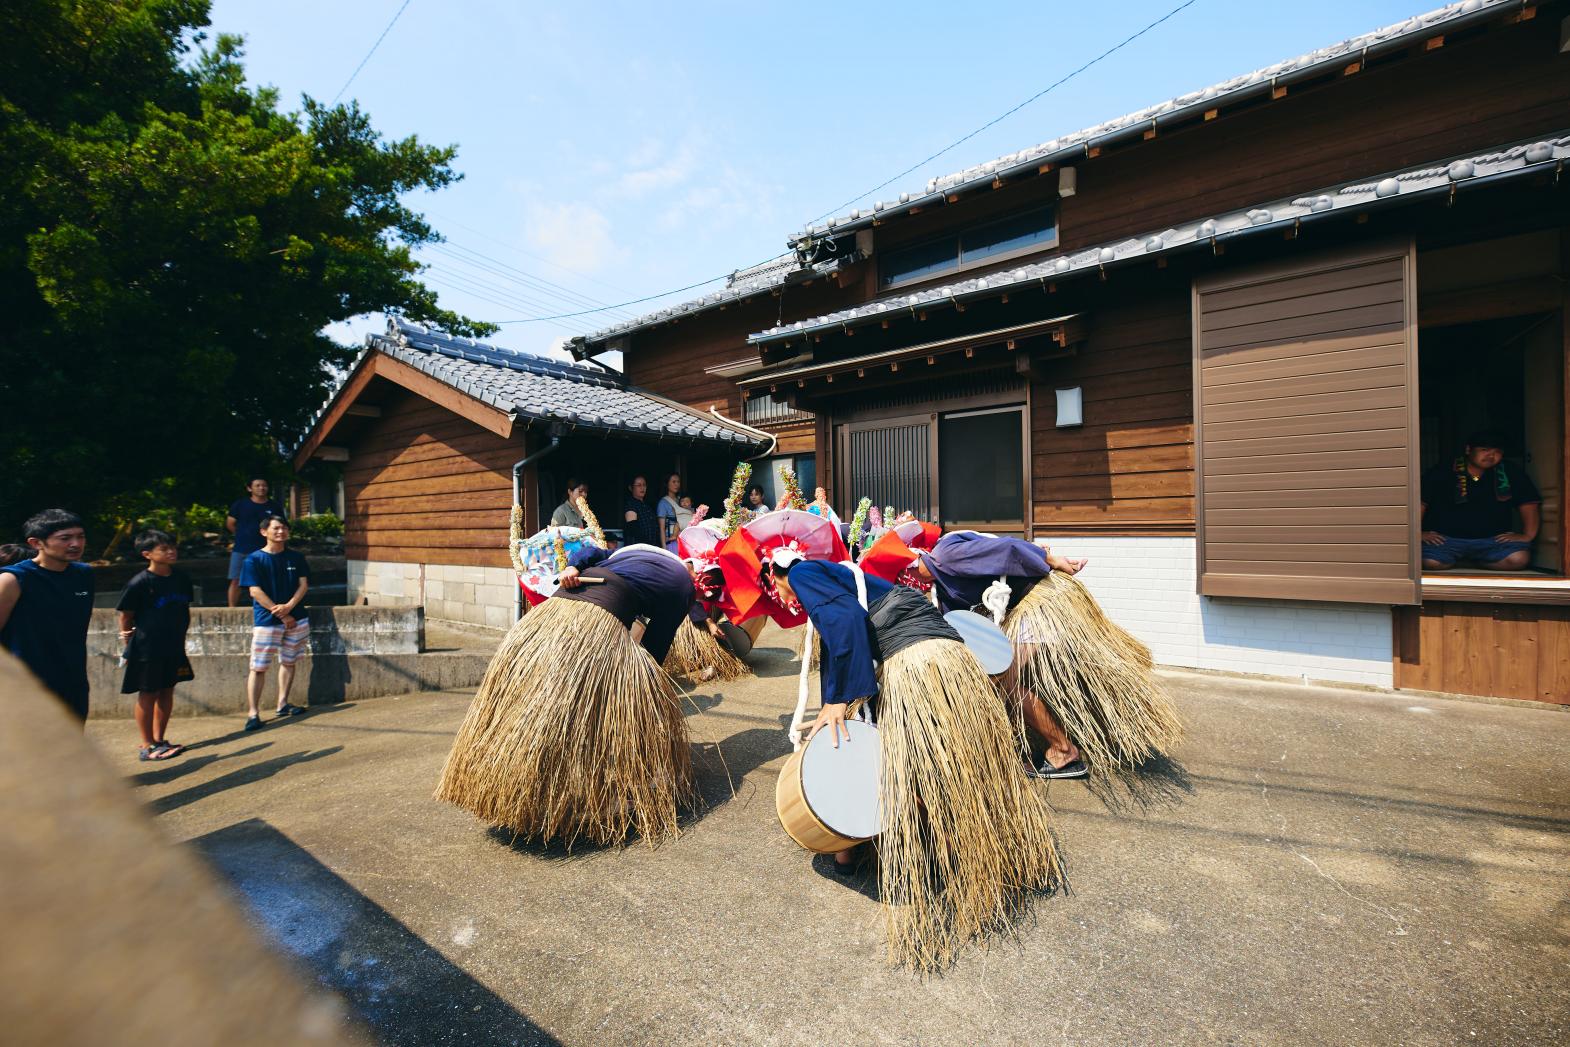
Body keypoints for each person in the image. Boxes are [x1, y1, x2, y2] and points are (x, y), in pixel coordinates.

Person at [765, 552, 1059, 972]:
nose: (782, 595)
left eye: (775, 587)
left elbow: (844, 620)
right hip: (948, 655)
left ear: (776, 572)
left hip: (913, 656)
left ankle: (900, 852)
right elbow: (844, 630)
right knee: (958, 754)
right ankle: (987, 848)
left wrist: (834, 701)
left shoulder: (802, 571)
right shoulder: (842, 575)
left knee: (908, 755)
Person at [436, 543, 713, 847]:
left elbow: (592, 550)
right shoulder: (684, 589)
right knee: (572, 705)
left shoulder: (631, 553)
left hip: (555, 608)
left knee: (529, 693)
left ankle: (500, 782)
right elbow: (656, 645)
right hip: (598, 619)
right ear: (696, 579)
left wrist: (571, 567)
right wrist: (641, 690)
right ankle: (541, 788)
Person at [889, 529, 1180, 779]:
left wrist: (1051, 560)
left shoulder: (946, 556)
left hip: (1038, 606)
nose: (911, 586)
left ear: (911, 566)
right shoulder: (941, 585)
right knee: (997, 675)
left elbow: (1007, 549)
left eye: (905, 579)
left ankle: (1064, 751)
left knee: (1006, 678)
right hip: (1033, 606)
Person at [0, 509, 94, 722]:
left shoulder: (84, 574)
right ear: (36, 543)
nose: (76, 544)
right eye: (65, 538)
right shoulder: (13, 579)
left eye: (80, 536)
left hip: (73, 680)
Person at [116, 529, 194, 761]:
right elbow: (126, 615)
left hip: (174, 645)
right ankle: (147, 744)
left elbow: (184, 609)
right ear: (147, 554)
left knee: (167, 690)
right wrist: (127, 641)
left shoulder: (181, 578)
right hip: (147, 647)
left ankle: (160, 739)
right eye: (164, 549)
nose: (171, 552)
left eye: (173, 547)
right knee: (148, 693)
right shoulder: (139, 583)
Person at [1421, 430, 1541, 571]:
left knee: (1518, 560)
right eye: (1484, 450)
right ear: (1468, 450)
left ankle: (1474, 562)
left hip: (1493, 540)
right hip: (1447, 539)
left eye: (1497, 451)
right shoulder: (1443, 470)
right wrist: (1418, 533)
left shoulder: (1509, 471)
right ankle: (1462, 559)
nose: (1491, 455)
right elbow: (1421, 502)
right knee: (1430, 563)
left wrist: (1528, 535)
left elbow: (1528, 502)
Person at [239, 514, 310, 731]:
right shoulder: (254, 559)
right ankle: (253, 713)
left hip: (297, 617)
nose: (281, 532)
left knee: (289, 662)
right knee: (258, 667)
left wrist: (290, 606)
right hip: (267, 621)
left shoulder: (296, 557)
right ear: (264, 532)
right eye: (276, 528)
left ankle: (283, 703)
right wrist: (281, 613)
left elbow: (303, 585)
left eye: (284, 528)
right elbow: (254, 591)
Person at [226, 477, 285, 607]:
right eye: (257, 485)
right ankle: (231, 609)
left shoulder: (274, 506)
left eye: (264, 485)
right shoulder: (240, 504)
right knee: (236, 581)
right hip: (242, 548)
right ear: (249, 488)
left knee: (268, 580)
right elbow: (230, 524)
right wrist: (243, 535)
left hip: (266, 550)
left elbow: (281, 525)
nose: (261, 488)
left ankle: (270, 607)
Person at [621, 475, 662, 547]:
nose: (642, 488)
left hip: (650, 548)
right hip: (638, 549)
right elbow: (633, 528)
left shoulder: (647, 506)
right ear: (631, 488)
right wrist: (648, 544)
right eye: (639, 485)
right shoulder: (631, 504)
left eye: (644, 485)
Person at [655, 472, 685, 548]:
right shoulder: (663, 503)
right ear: (667, 484)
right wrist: (664, 547)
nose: (677, 484)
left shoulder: (682, 501)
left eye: (678, 482)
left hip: (683, 539)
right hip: (672, 541)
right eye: (673, 482)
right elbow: (662, 528)